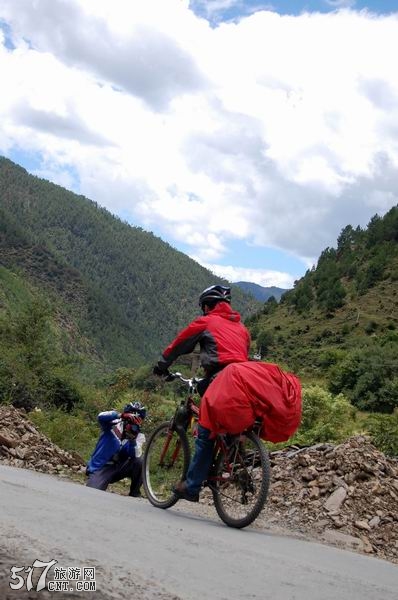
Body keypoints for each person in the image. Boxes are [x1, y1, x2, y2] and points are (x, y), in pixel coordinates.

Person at [153, 284, 251, 502]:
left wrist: (162, 365)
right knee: (229, 422)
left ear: (207, 306)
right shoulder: (243, 328)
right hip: (245, 380)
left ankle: (192, 486)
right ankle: (237, 453)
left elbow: (179, 344)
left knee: (206, 432)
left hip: (221, 379)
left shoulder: (206, 321)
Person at [86, 401, 146, 498]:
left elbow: (135, 455)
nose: (132, 422)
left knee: (141, 461)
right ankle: (95, 477)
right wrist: (120, 415)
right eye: (131, 418)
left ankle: (135, 493)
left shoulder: (139, 436)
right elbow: (100, 416)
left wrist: (132, 440)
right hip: (103, 467)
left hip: (119, 468)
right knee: (92, 494)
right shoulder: (112, 425)